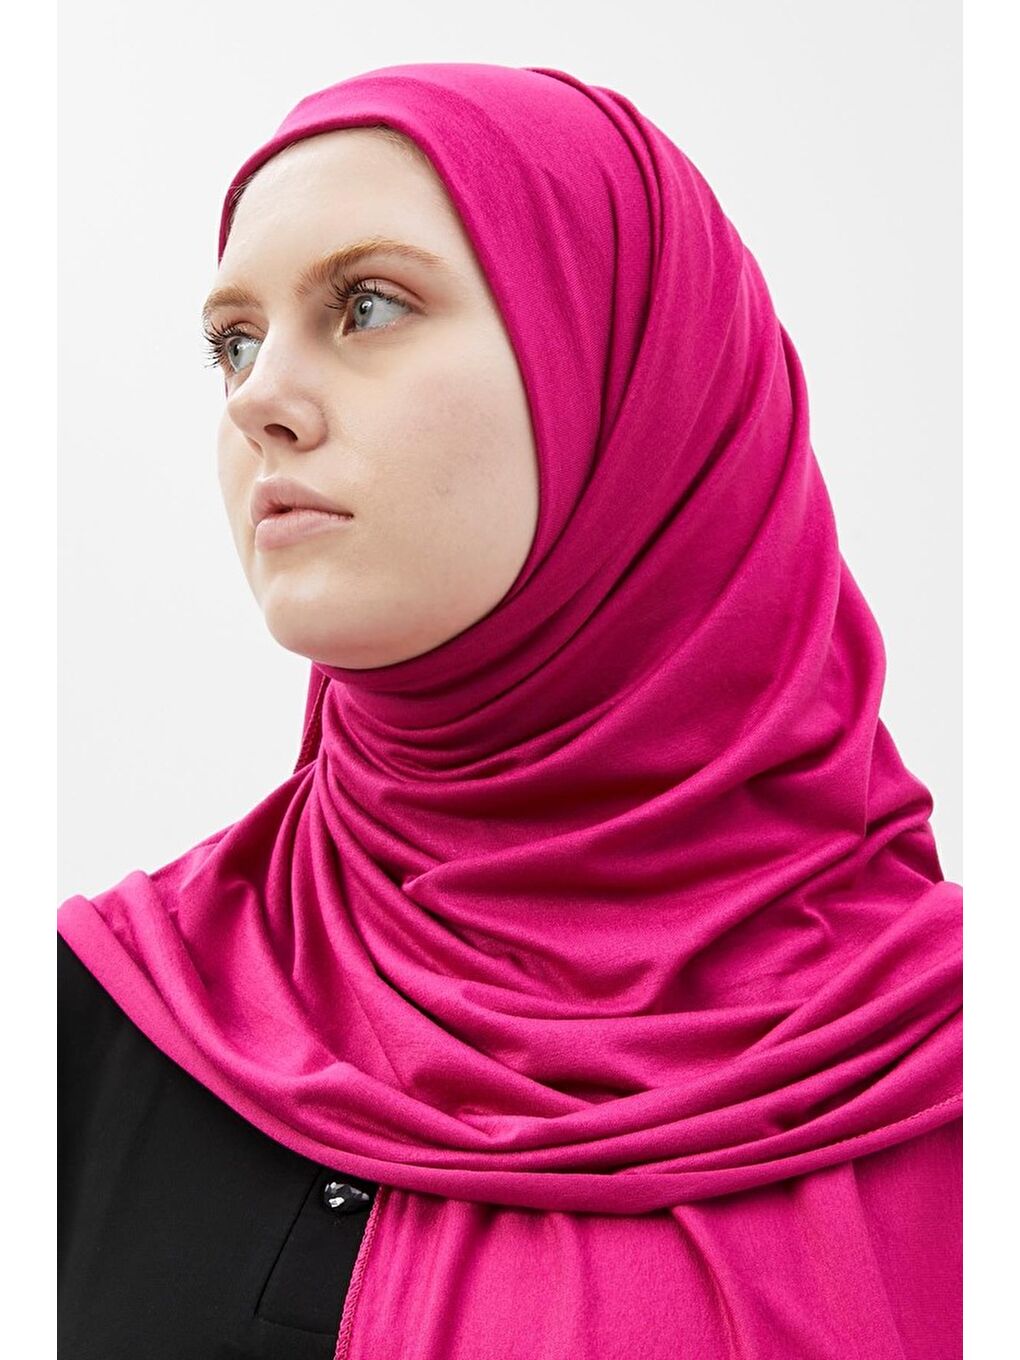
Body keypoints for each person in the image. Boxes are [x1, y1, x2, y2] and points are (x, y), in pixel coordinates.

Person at [58, 63, 962, 1360]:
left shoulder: (947, 1063)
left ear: (633, 384)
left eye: (367, 305)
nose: (258, 399)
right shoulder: (105, 1019)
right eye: (234, 342)